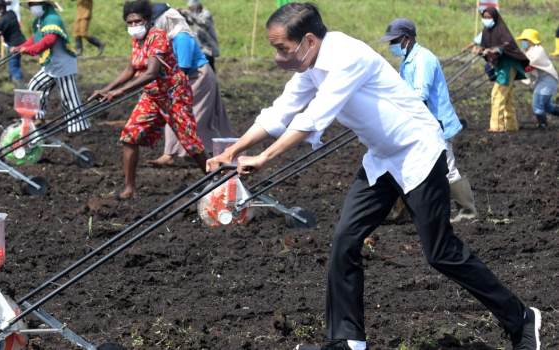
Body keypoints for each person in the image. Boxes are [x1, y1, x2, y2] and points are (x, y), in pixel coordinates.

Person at [206, 4, 540, 349]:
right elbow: (281, 111)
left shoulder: (347, 55)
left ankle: (522, 319)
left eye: (281, 48)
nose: (279, 57)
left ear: (307, 40)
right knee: (344, 242)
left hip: (418, 153)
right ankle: (348, 341)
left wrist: (265, 157)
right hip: (381, 159)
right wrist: (233, 150)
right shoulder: (310, 64)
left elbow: (313, 118)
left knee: (440, 252)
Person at [90, 0, 208, 199]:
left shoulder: (158, 37)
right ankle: (129, 188)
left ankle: (214, 178)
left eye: (138, 21)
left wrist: (119, 93)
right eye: (130, 22)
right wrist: (106, 89)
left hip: (173, 94)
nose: (134, 26)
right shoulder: (137, 40)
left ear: (147, 20)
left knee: (190, 142)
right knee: (129, 136)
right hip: (152, 95)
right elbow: (131, 69)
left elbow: (151, 73)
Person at [382, 18, 476, 223]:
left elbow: (420, 93)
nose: (391, 46)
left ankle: (467, 212)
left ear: (407, 39)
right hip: (418, 122)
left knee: (448, 168)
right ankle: (401, 212)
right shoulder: (407, 60)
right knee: (405, 164)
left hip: (437, 123)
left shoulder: (424, 59)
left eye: (394, 41)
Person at [149, 4, 233, 166]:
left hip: (198, 77)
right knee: (175, 113)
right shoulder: (167, 37)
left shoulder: (182, 36)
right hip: (183, 77)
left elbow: (184, 66)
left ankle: (201, 152)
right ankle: (172, 153)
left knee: (195, 116)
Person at [13, 0, 88, 133]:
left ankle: (79, 127)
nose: (32, 7)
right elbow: (36, 38)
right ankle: (38, 118)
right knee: (35, 86)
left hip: (63, 64)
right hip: (50, 64)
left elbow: (49, 40)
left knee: (69, 97)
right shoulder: (40, 20)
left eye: (34, 4)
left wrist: (31, 50)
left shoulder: (52, 19)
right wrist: (21, 47)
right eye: (30, 5)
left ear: (44, 4)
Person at [476, 7, 529, 133]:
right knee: (507, 97)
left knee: (497, 95)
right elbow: (485, 48)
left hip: (508, 66)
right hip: (500, 66)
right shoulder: (486, 31)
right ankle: (511, 126)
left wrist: (496, 50)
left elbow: (508, 45)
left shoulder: (501, 30)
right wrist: (481, 51)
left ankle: (496, 127)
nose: (486, 20)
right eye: (485, 17)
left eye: (489, 17)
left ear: (494, 17)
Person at [516, 28, 559, 129]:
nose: (523, 42)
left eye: (525, 40)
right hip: (542, 81)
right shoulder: (528, 50)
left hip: (547, 81)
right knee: (548, 107)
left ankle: (542, 125)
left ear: (531, 40)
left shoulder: (538, 52)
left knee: (537, 105)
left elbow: (528, 67)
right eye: (523, 40)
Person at [179, 0, 219, 71]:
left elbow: (202, 22)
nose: (190, 9)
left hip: (209, 47)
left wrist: (189, 13)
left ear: (196, 6)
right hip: (200, 46)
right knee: (204, 67)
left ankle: (212, 80)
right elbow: (189, 22)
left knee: (209, 66)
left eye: (191, 7)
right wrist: (182, 14)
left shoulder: (206, 13)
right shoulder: (194, 14)